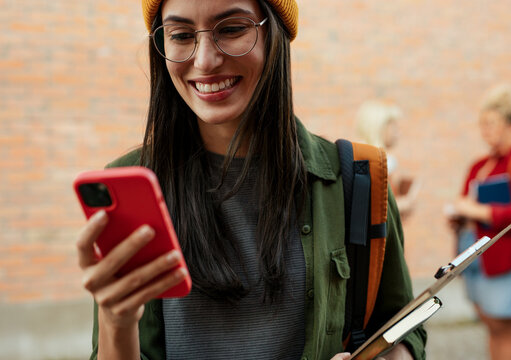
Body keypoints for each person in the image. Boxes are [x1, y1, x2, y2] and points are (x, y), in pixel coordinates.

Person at [76, 1, 427, 359]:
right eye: (181, 35)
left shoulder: (356, 177)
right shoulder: (135, 189)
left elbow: (404, 329)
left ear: (275, 34)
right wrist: (115, 322)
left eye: (231, 29)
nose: (205, 61)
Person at [448, 84, 511, 360]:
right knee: (493, 330)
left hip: (506, 261)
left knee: (504, 331)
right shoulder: (480, 165)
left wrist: (480, 212)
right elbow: (464, 203)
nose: (484, 130)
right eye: (482, 124)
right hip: (476, 257)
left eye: (491, 123)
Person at [355, 100, 421, 220]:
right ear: (380, 127)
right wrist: (402, 204)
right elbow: (370, 209)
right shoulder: (365, 161)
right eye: (394, 127)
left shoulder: (382, 161)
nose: (398, 133)